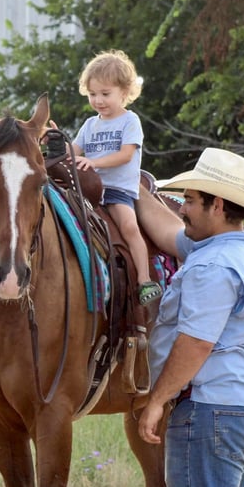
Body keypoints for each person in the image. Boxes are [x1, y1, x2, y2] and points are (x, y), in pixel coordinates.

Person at [135, 147, 244, 487]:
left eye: (191, 201)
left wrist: (156, 400)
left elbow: (196, 343)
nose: (182, 209)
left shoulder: (212, 265)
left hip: (210, 412)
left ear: (217, 205)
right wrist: (134, 186)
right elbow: (168, 233)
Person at [70, 49, 161, 306]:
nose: (98, 100)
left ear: (124, 92)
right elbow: (72, 152)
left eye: (105, 94)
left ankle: (144, 280)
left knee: (130, 228)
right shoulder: (89, 125)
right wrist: (56, 144)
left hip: (117, 189)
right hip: (90, 191)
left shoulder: (129, 122)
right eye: (92, 94)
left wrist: (93, 161)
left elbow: (125, 155)